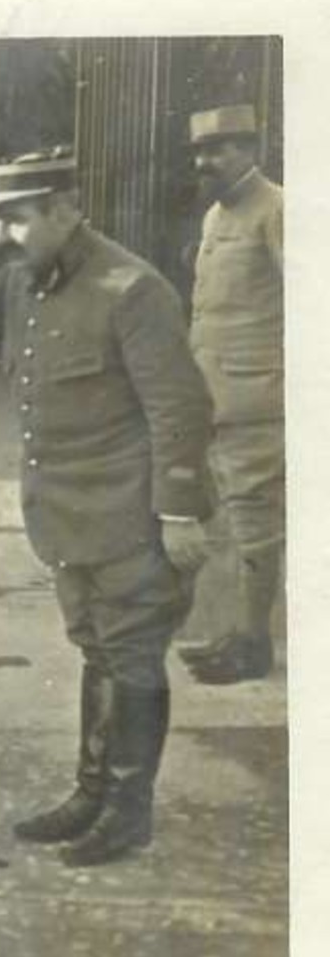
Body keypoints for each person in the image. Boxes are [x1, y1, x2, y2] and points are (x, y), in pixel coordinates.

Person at [0, 147, 213, 867]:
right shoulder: (30, 279)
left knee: (132, 654)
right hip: (65, 516)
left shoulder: (129, 288)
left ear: (64, 209)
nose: (1, 239)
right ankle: (92, 794)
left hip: (129, 515)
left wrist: (177, 511)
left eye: (14, 222)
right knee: (97, 647)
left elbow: (178, 407)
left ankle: (127, 811)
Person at [174, 105, 285, 685]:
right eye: (199, 152)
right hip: (215, 394)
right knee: (229, 518)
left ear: (250, 149)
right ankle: (236, 632)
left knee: (256, 522)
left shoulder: (278, 209)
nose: (205, 162)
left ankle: (254, 642)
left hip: (257, 394)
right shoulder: (217, 214)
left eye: (219, 150)